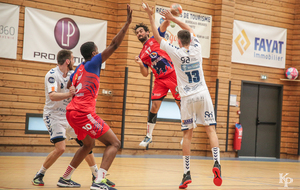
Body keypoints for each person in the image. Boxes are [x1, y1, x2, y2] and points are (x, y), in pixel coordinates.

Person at [143, 3, 222, 188]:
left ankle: (186, 174)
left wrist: (152, 16)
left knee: (187, 136)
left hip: (186, 98)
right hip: (203, 94)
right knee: (211, 130)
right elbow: (189, 29)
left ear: (178, 41)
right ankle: (217, 162)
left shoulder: (174, 52)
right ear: (190, 39)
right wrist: (174, 19)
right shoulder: (196, 46)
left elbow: (156, 36)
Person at [58, 4, 132, 190]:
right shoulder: (93, 63)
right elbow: (114, 45)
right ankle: (99, 181)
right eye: (98, 51)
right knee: (114, 143)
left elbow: (69, 85)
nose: (100, 53)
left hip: (71, 112)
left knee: (87, 145)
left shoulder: (79, 69)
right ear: (93, 54)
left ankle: (65, 178)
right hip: (83, 112)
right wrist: (126, 24)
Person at [32, 50, 115, 188]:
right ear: (68, 61)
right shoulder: (51, 75)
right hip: (54, 116)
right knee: (61, 148)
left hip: (70, 115)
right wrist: (69, 94)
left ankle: (95, 175)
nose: (74, 61)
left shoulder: (73, 74)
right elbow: (52, 96)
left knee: (87, 144)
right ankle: (40, 173)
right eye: (72, 58)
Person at [133, 14, 180, 148]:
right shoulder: (142, 54)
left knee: (179, 103)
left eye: (141, 31)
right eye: (137, 33)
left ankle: (186, 130)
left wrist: (170, 15)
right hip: (159, 80)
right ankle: (149, 136)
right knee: (154, 107)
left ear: (147, 32)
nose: (139, 34)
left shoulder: (155, 38)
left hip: (172, 75)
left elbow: (164, 24)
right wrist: (141, 64)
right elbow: (145, 74)